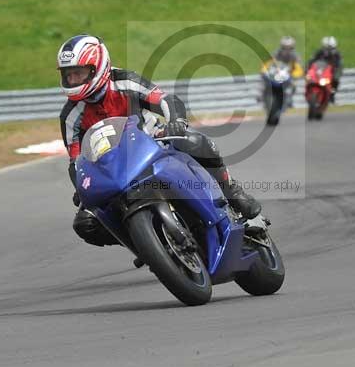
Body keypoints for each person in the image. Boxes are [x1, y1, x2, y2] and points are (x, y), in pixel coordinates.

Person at [57, 35, 262, 247]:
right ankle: (145, 243)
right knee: (86, 223)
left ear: (97, 67)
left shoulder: (125, 81)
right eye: (69, 75)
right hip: (111, 169)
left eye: (79, 73)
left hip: (151, 145)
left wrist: (176, 121)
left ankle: (232, 193)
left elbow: (164, 100)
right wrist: (81, 189)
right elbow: (76, 161)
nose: (73, 80)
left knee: (193, 141)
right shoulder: (70, 115)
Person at [260, 36, 304, 107]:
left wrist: (295, 75)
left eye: (289, 48)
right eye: (284, 48)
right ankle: (262, 96)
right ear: (281, 47)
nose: (287, 50)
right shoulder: (276, 53)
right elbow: (268, 62)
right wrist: (264, 70)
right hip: (276, 73)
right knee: (264, 82)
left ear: (292, 47)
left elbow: (299, 68)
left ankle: (289, 99)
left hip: (289, 75)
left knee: (293, 85)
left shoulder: (295, 56)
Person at [307, 36, 343, 102]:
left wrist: (336, 70)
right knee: (310, 77)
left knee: (335, 79)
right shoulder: (320, 52)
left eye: (330, 47)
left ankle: (332, 93)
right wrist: (309, 68)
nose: (328, 49)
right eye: (327, 47)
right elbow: (312, 60)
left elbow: (339, 64)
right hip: (320, 70)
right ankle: (310, 91)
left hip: (331, 70)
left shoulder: (336, 54)